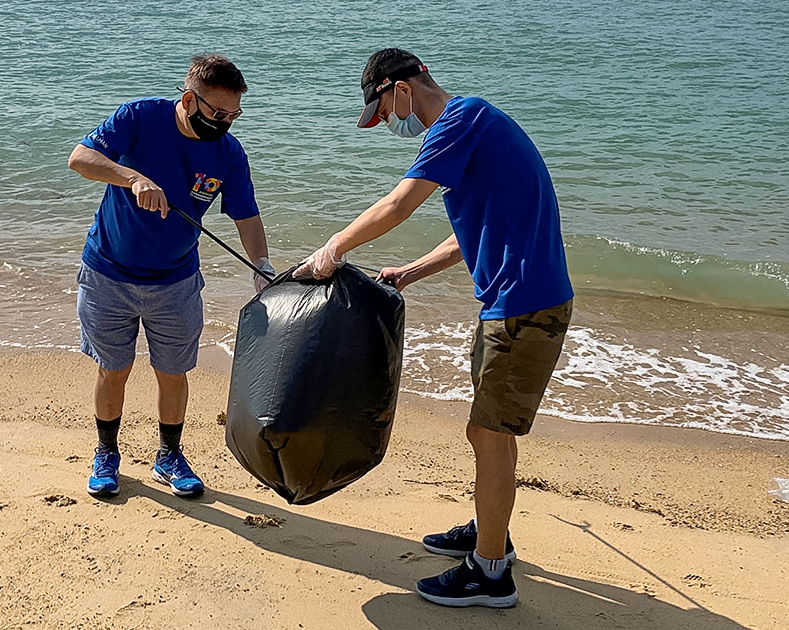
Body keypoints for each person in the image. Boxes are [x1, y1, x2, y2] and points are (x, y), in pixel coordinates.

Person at [294, 48, 574, 608]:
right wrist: (410, 271)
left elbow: (399, 203)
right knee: (489, 430)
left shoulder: (458, 120)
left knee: (489, 434)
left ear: (401, 87)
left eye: (383, 109)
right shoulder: (476, 126)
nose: (390, 124)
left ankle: (490, 572)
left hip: (523, 306)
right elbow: (477, 229)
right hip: (512, 300)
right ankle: (490, 527)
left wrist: (333, 248)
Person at [67, 53, 273, 500]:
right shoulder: (140, 117)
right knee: (114, 368)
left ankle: (169, 456)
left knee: (173, 372)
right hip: (108, 273)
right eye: (217, 113)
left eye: (233, 115)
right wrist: (132, 177)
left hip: (176, 281)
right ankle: (106, 453)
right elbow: (80, 159)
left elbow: (247, 216)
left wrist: (262, 268)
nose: (224, 123)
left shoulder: (228, 153)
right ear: (188, 99)